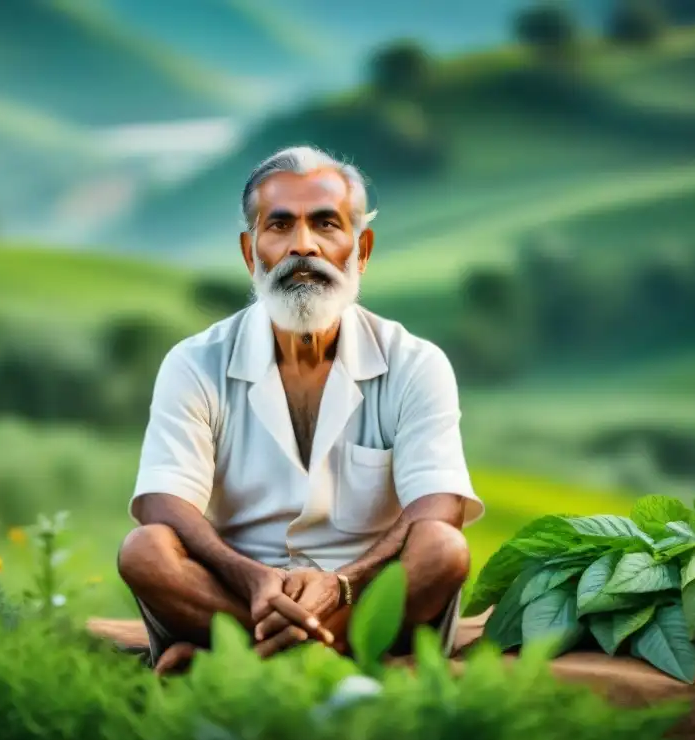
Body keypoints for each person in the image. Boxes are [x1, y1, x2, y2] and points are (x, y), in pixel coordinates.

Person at [118, 146, 484, 674]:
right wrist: (253, 578)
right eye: (280, 226)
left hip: (366, 594)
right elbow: (163, 502)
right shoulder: (195, 362)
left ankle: (248, 660)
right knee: (144, 550)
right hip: (238, 594)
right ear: (251, 253)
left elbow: (438, 507)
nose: (303, 247)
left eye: (326, 225)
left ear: (361, 250)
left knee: (443, 548)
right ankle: (337, 659)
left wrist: (343, 583)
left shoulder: (415, 363)